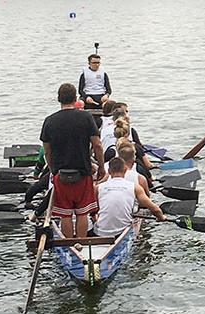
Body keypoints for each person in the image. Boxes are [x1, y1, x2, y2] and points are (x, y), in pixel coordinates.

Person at [41, 83, 104, 238]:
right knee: (82, 212)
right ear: (76, 98)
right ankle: (81, 243)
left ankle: (69, 244)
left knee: (65, 214)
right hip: (83, 171)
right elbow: (97, 144)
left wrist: (52, 168)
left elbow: (47, 151)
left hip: (61, 173)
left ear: (58, 99)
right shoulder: (86, 117)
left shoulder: (49, 121)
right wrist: (101, 167)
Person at [94, 157, 165, 237]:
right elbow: (155, 209)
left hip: (100, 232)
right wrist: (161, 217)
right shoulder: (135, 187)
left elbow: (95, 210)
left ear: (109, 172)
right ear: (125, 170)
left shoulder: (98, 188)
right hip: (121, 232)